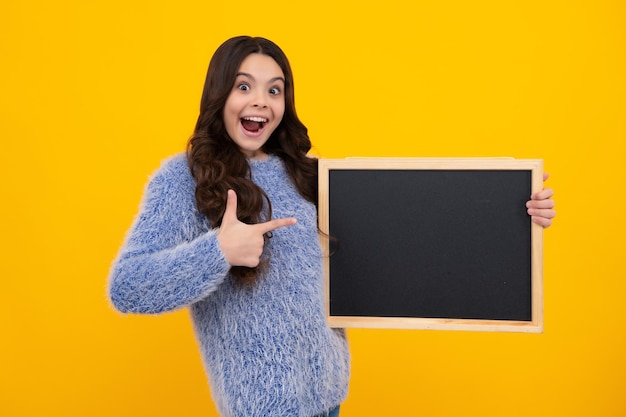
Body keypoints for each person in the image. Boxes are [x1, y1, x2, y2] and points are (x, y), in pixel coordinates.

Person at [107, 36, 556, 417]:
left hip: (329, 401)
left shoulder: (310, 175)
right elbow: (127, 288)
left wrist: (518, 213)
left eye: (275, 90)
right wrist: (218, 251)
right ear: (219, 95)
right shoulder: (184, 177)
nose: (261, 101)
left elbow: (419, 228)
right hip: (260, 408)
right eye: (244, 86)